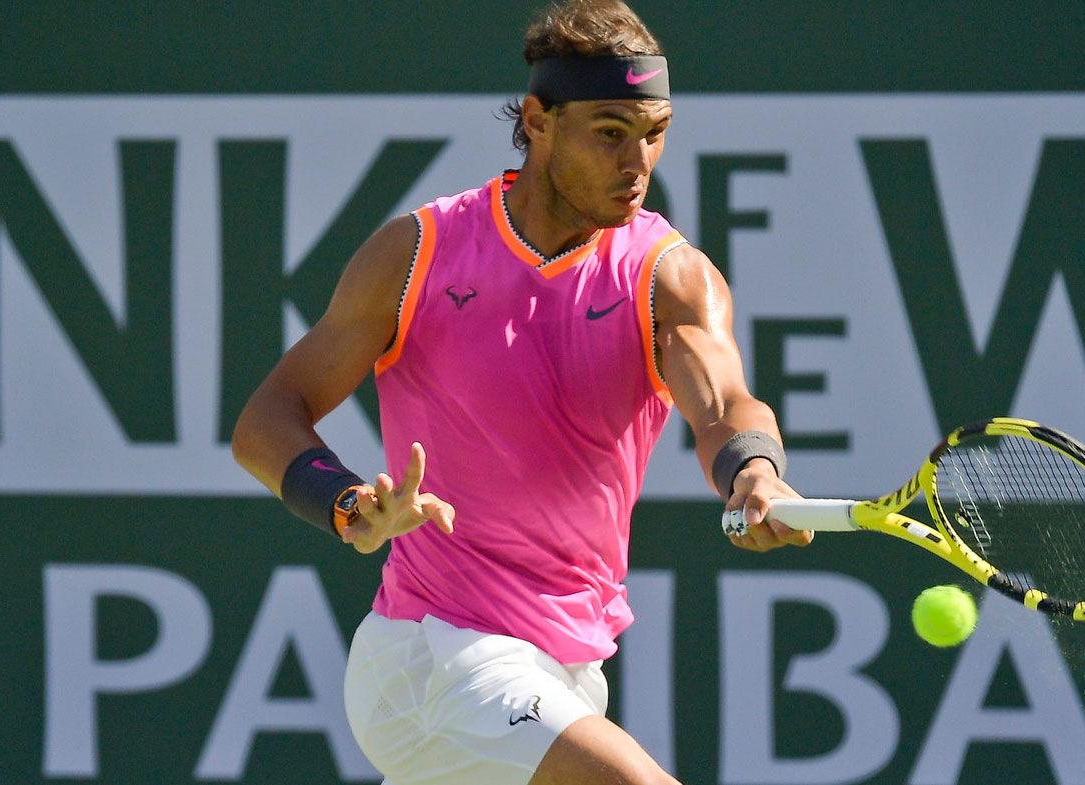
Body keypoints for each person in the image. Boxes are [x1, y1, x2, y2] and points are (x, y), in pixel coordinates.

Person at [231, 1, 811, 783]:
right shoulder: (418, 254)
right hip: (430, 657)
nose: (638, 161)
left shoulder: (670, 276)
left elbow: (722, 402)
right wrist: (345, 504)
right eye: (610, 132)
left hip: (566, 673)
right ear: (538, 120)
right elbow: (267, 418)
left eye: (654, 131)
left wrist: (754, 470)